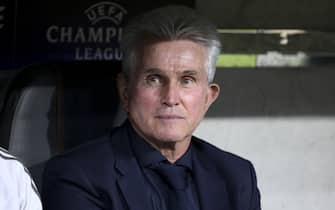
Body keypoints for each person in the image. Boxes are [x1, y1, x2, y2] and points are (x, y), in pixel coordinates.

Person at [42, 5, 261, 210]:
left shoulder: (238, 177)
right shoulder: (76, 176)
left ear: (208, 98)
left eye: (187, 80)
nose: (171, 98)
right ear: (125, 91)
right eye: (154, 79)